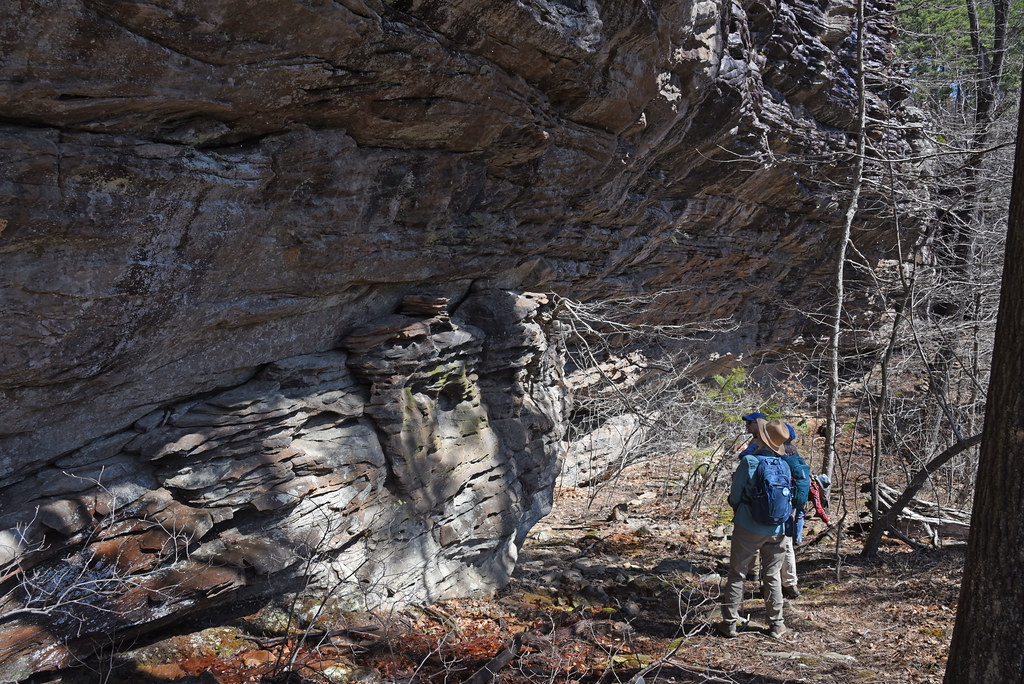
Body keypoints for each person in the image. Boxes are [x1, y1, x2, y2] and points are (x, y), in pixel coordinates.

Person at [717, 417, 792, 639]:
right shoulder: (785, 464)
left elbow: (735, 496)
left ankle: (730, 622)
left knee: (738, 572)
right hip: (777, 529)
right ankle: (777, 624)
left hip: (749, 526)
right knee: (773, 575)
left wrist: (740, 509)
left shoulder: (750, 462)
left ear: (761, 437)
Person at [778, 423, 810, 599]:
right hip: (793, 505)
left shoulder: (781, 455)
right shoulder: (795, 454)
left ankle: (783, 584)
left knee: (779, 543)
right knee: (787, 543)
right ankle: (790, 583)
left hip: (781, 505)